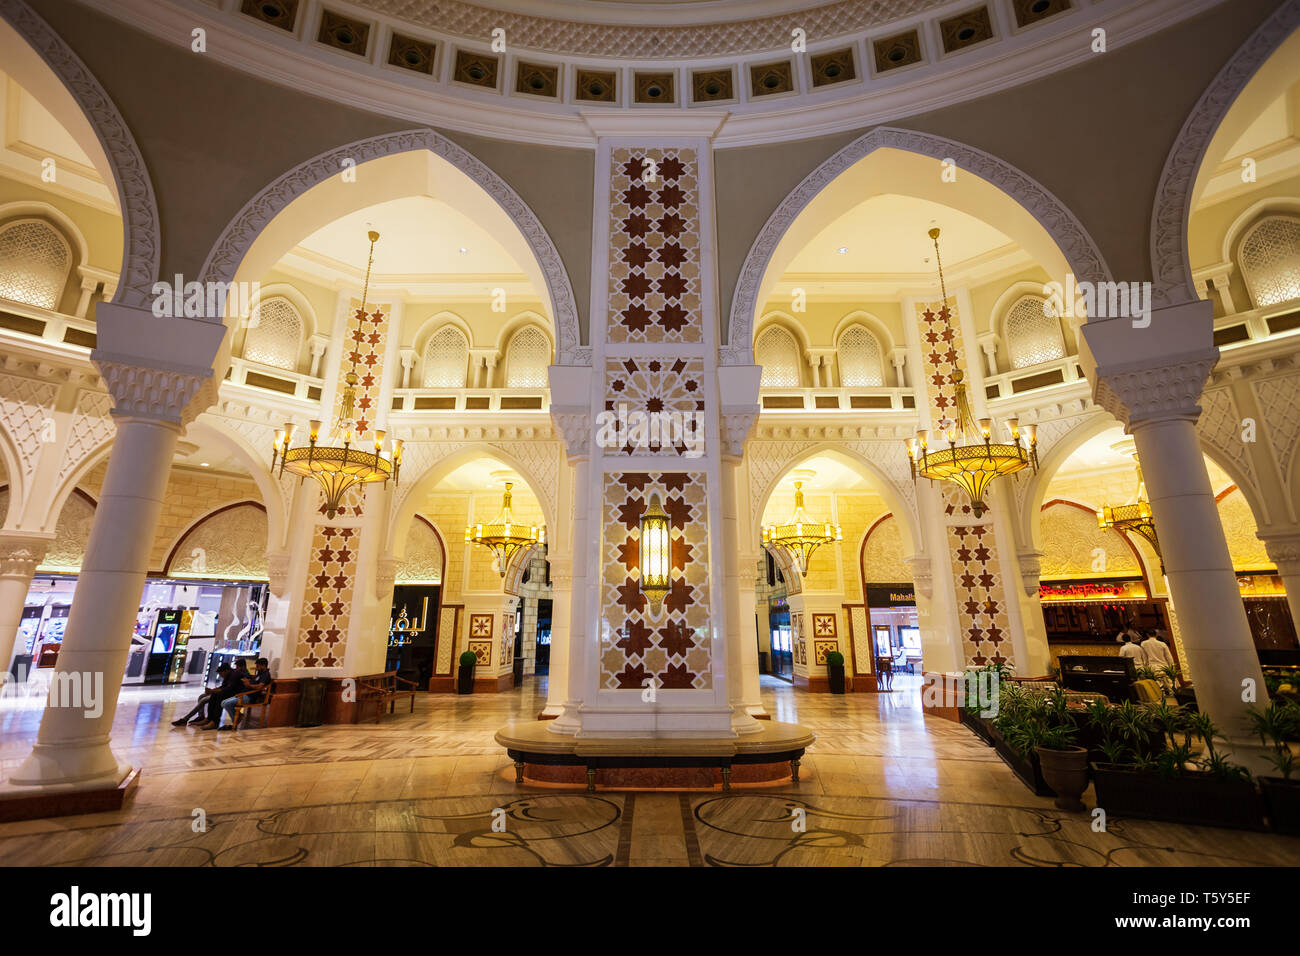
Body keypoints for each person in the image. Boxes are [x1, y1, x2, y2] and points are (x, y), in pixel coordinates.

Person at [215, 657, 273, 731]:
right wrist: (247, 682)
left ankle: (235, 722)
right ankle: (239, 716)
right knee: (223, 703)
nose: (256, 668)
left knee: (227, 704)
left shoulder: (265, 675)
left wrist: (248, 685)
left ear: (263, 665)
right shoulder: (259, 674)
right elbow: (254, 682)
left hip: (250, 697)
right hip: (245, 694)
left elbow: (259, 686)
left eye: (258, 666)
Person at [195, 661, 252, 730]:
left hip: (238, 693)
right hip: (232, 692)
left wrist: (213, 690)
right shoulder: (228, 675)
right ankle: (209, 718)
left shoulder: (235, 674)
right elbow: (224, 686)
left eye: (221, 673)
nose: (220, 675)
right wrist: (213, 690)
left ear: (226, 671)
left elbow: (228, 688)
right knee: (215, 694)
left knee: (220, 695)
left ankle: (215, 722)